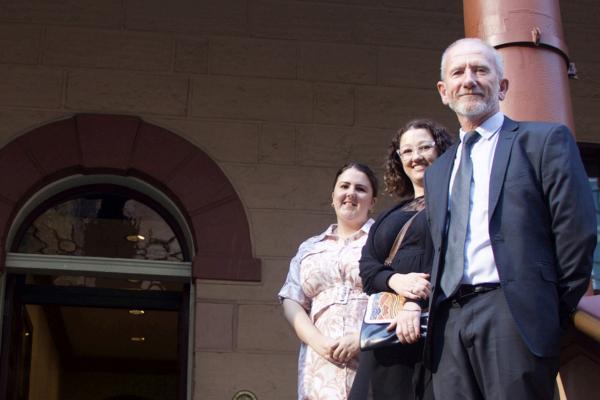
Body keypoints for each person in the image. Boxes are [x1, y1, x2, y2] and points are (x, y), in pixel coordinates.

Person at [420, 37, 597, 399]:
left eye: (480, 70)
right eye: (458, 72)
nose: (468, 79)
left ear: (502, 87)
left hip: (513, 315)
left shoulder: (543, 142)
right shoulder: (438, 171)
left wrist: (547, 308)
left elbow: (575, 232)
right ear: (443, 90)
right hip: (449, 322)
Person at [349, 119, 452, 400]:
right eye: (406, 151)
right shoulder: (390, 214)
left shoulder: (455, 204)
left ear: (442, 150)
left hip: (428, 330)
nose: (415, 157)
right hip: (385, 331)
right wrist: (394, 279)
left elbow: (447, 259)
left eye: (424, 147)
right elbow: (368, 269)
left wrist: (414, 305)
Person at [279, 161, 379, 400]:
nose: (351, 193)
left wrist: (362, 338)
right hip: (320, 363)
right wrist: (319, 342)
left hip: (371, 357)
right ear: (333, 197)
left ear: (372, 202)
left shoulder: (384, 241)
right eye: (344, 186)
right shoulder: (310, 247)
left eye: (361, 189)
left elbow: (394, 298)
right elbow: (292, 300)